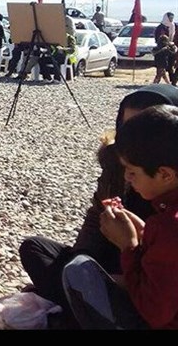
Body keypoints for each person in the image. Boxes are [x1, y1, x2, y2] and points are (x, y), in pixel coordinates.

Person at [18, 84, 178, 325]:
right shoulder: (120, 163)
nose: (129, 140)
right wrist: (82, 261)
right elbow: (96, 217)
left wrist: (129, 246)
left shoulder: (168, 221)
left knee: (77, 280)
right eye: (126, 128)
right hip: (121, 261)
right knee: (38, 250)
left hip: (139, 281)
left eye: (142, 130)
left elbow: (156, 306)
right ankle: (76, 298)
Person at [61, 104, 178, 329]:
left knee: (78, 272)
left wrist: (129, 245)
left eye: (132, 172)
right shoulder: (164, 218)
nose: (127, 177)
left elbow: (156, 311)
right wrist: (144, 235)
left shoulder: (168, 225)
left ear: (165, 174)